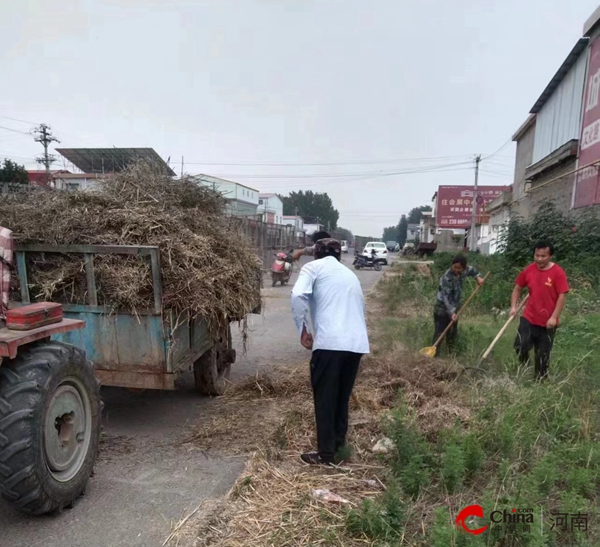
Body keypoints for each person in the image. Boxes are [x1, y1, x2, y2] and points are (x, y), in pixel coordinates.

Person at [291, 238, 369, 465]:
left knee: (325, 399)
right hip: (355, 345)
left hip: (329, 344)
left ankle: (326, 455)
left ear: (316, 254)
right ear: (339, 256)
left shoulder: (313, 267)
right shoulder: (349, 274)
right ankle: (338, 447)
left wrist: (302, 329)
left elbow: (297, 295)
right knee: (341, 398)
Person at [510, 240, 569, 380]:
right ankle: (524, 367)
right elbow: (518, 288)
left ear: (550, 256)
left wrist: (554, 317)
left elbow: (562, 295)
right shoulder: (529, 270)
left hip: (547, 321)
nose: (539, 259)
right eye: (537, 255)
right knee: (520, 346)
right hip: (529, 317)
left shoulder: (558, 273)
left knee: (542, 357)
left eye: (543, 256)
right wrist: (513, 307)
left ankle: (540, 382)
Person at [433, 255, 484, 354]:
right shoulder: (447, 277)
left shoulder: (464, 271)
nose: (456, 270)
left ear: (463, 268)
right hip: (442, 308)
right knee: (439, 332)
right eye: (454, 267)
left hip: (455, 308)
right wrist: (451, 313)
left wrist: (478, 277)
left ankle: (450, 354)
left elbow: (472, 270)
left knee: (452, 332)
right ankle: (434, 355)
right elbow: (446, 298)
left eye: (459, 268)